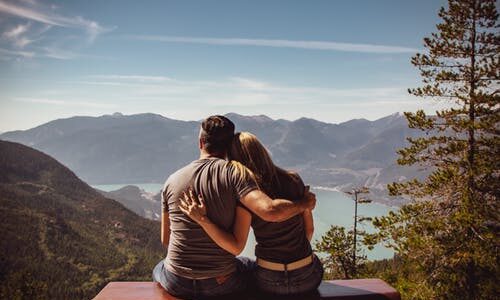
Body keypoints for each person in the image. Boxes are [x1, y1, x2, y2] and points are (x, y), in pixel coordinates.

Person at [152, 116, 316, 299]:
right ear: (229, 146)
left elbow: (166, 240)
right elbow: (267, 215)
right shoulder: (236, 175)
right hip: (221, 282)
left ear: (200, 143)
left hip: (176, 282)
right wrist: (304, 204)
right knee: (247, 265)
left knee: (159, 267)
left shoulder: (171, 181)